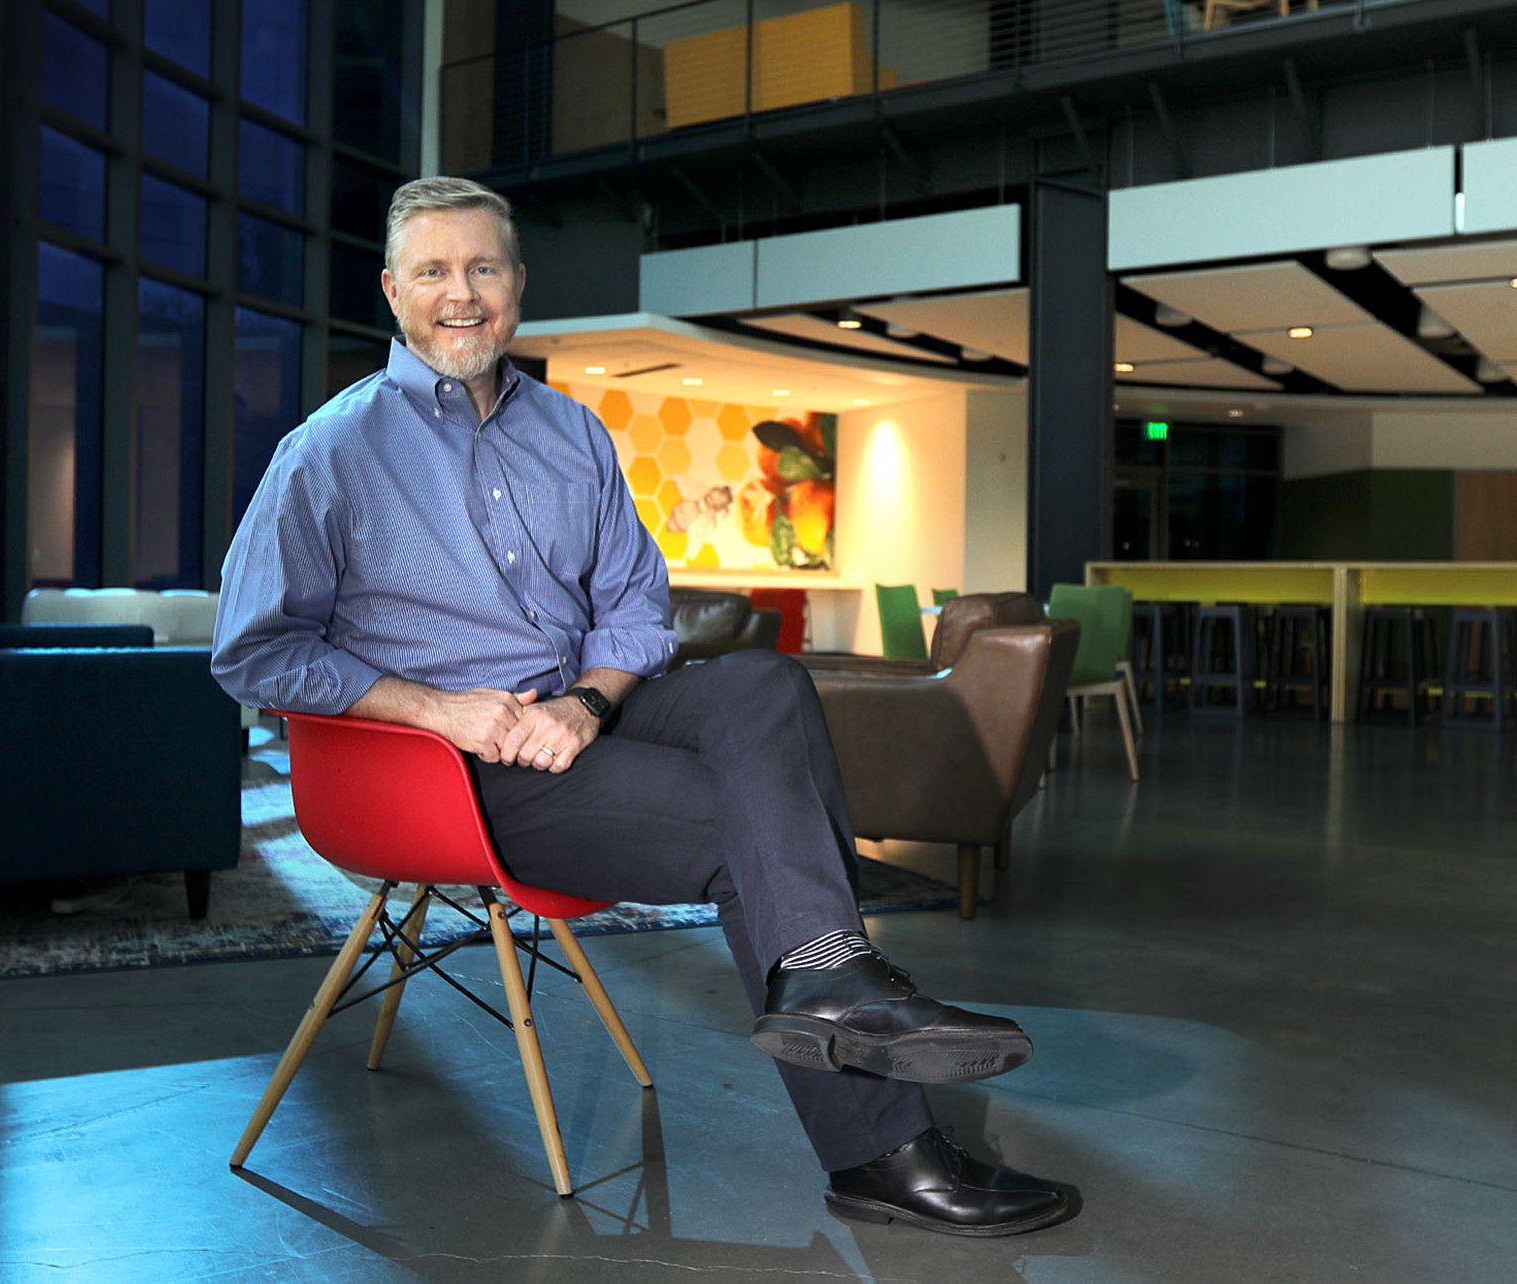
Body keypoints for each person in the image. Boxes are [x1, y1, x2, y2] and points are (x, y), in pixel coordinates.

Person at [211, 176, 1074, 1237]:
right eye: (432, 271)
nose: (461, 294)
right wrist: (443, 711)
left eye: (483, 267)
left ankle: (827, 986)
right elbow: (254, 650)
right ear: (393, 292)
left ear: (518, 284)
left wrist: (585, 702)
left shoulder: (572, 434)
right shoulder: (330, 453)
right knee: (756, 830)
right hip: (456, 773)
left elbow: (634, 610)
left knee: (765, 681)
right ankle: (881, 1144)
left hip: (581, 719)